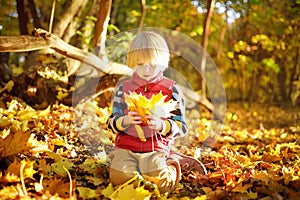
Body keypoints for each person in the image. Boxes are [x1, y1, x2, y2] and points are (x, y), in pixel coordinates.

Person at [106, 31, 188, 195]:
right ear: (132, 63)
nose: (146, 69)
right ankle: (126, 169)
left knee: (161, 184)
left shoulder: (171, 89)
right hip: (127, 147)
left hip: (156, 148)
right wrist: (126, 121)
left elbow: (182, 127)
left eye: (152, 63)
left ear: (163, 63)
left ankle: (172, 164)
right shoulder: (124, 89)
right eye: (140, 63)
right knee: (120, 177)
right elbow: (110, 122)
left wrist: (162, 125)